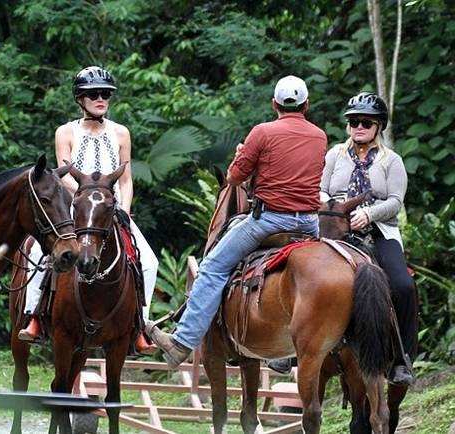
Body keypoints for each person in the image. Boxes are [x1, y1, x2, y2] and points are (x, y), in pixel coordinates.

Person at [145, 76, 328, 368]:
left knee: (212, 268)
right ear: (306, 105)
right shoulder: (320, 136)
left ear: (274, 104)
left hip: (270, 222)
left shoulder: (263, 132)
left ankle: (182, 342)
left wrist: (243, 155)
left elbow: (234, 177)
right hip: (309, 225)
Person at [18, 66, 159, 354]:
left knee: (148, 261)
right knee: (37, 252)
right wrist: (87, 195)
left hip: (111, 209)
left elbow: (127, 178)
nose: (100, 99)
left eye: (105, 94)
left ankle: (139, 325)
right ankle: (34, 315)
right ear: (80, 99)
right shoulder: (65, 131)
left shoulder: (121, 133)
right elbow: (65, 174)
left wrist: (126, 210)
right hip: (75, 207)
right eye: (93, 94)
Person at [320, 92, 416, 385]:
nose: (358, 127)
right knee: (296, 267)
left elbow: (395, 201)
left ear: (378, 126)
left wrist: (369, 215)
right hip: (335, 227)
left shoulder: (392, 161)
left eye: (365, 122)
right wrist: (331, 206)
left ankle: (402, 358)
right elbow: (321, 189)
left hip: (377, 230)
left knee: (403, 285)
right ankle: (287, 348)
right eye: (353, 122)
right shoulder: (334, 154)